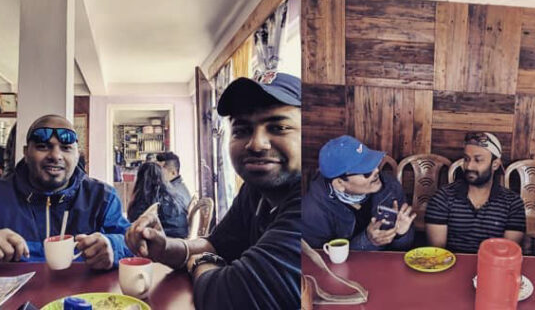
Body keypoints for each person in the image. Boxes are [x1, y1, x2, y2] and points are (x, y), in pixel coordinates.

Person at [126, 71, 301, 310]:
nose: (256, 143)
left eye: (279, 127)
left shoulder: (312, 201)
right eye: (242, 130)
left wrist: (200, 262)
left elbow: (228, 299)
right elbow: (217, 245)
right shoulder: (255, 191)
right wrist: (166, 247)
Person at [0, 114, 132, 269]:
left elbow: (132, 243)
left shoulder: (102, 197)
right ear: (26, 153)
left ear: (77, 155)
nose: (55, 155)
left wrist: (112, 246)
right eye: (43, 146)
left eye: (66, 148)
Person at [301, 136, 415, 252]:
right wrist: (367, 241)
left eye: (374, 164)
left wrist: (402, 234)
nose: (376, 171)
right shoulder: (313, 210)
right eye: (366, 171)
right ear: (339, 184)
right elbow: (319, 261)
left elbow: (403, 250)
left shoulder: (390, 187)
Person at [425, 132, 526, 253]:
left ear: (495, 164)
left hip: (493, 268)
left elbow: (507, 253)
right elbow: (437, 252)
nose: (469, 166)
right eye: (467, 159)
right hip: (450, 266)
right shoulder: (443, 197)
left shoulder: (513, 203)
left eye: (478, 160)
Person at [128, 161, 188, 239]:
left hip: (160, 242)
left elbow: (134, 224)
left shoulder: (145, 200)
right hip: (181, 241)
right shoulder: (175, 197)